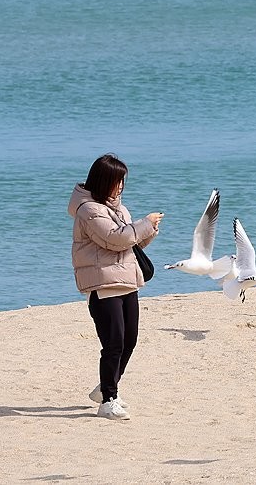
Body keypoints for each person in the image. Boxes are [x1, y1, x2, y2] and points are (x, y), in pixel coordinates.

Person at [69, 153, 163, 421]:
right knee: (114, 342)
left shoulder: (120, 209)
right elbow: (113, 238)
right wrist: (143, 224)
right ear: (102, 180)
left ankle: (106, 387)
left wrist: (149, 231)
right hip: (102, 284)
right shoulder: (88, 210)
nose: (120, 186)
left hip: (127, 281)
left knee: (129, 339)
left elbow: (127, 245)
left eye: (123, 181)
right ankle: (108, 400)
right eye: (116, 181)